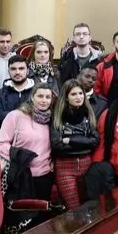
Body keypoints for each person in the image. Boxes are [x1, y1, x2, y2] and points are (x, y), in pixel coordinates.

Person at [0, 83, 56, 200]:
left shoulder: (52, 120)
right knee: (22, 215)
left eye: (48, 97)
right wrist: (20, 157)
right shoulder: (16, 116)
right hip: (21, 176)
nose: (44, 100)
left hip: (44, 176)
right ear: (32, 97)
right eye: (40, 96)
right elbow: (0, 144)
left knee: (43, 215)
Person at [50, 80, 100, 209]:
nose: (78, 97)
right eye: (73, 94)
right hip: (65, 167)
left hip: (86, 165)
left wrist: (70, 140)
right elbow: (57, 145)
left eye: (80, 93)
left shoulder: (88, 114)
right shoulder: (57, 116)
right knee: (75, 209)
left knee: (90, 207)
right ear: (66, 97)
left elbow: (94, 141)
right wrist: (84, 142)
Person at [0, 55, 35, 128]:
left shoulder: (37, 92)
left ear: (28, 71)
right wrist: (21, 115)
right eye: (13, 69)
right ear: (8, 71)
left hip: (31, 137)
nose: (17, 72)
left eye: (21, 68)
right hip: (6, 136)